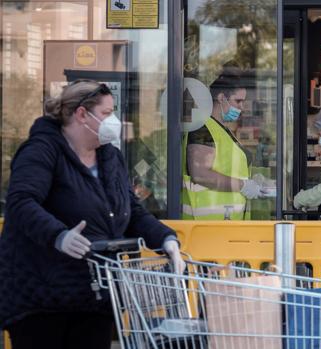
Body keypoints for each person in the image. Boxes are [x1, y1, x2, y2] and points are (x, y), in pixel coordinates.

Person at [0, 80, 185, 349]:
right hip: (43, 298)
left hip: (95, 294)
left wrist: (166, 240)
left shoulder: (110, 157)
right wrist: (58, 236)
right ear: (81, 114)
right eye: (107, 114)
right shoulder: (42, 150)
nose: (115, 121)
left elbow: (130, 211)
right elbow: (21, 202)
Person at [182, 67, 265, 220]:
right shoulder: (203, 129)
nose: (241, 107)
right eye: (238, 101)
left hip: (223, 223)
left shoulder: (221, 130)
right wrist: (242, 185)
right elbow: (200, 174)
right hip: (205, 225)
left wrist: (254, 179)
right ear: (221, 98)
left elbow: (228, 167)